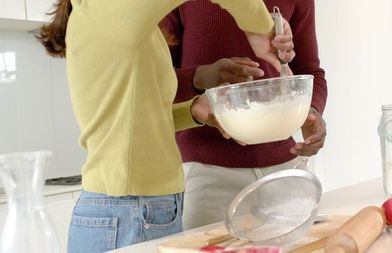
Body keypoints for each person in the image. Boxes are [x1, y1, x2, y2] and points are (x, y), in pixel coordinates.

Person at [36, 0, 289, 252]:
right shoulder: (104, 7)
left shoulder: (110, 17)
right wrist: (262, 28)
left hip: (136, 210)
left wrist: (193, 111)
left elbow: (135, 117)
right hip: (129, 211)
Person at [161, 0, 328, 230]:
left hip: (285, 169)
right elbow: (156, 82)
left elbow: (309, 71)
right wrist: (201, 77)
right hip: (207, 175)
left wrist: (312, 112)